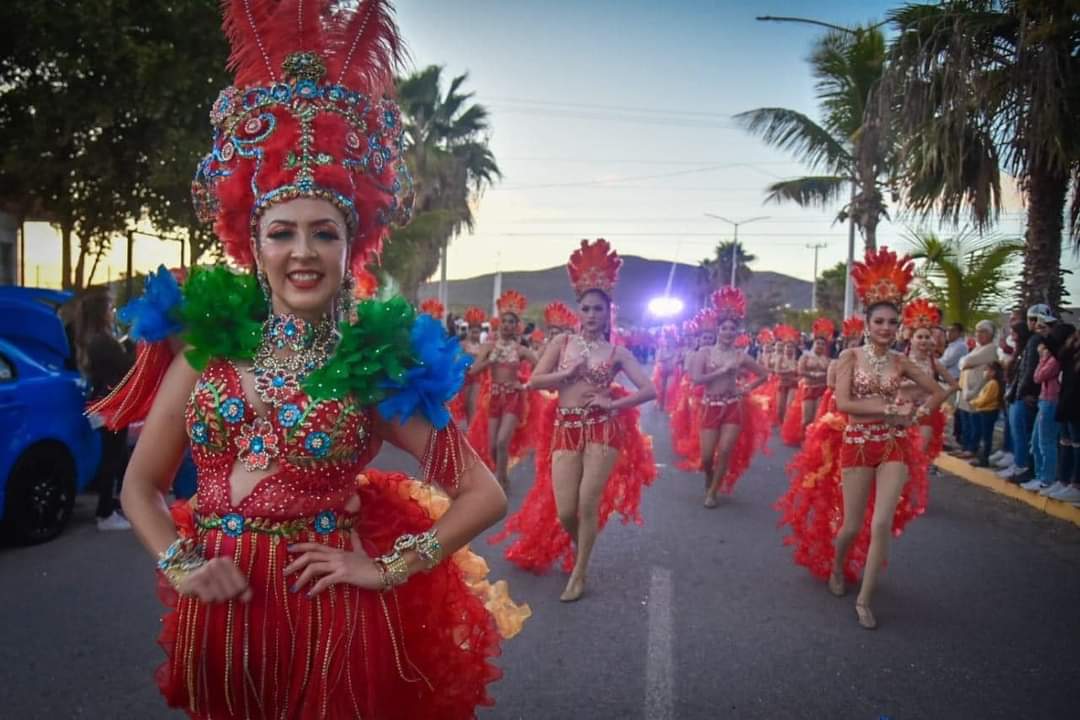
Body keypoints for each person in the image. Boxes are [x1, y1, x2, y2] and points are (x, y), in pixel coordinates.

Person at [111, 4, 527, 716]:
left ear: (349, 246)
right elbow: (139, 488)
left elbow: (483, 494)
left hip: (324, 617)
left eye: (323, 233)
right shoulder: (205, 355)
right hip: (218, 615)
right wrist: (181, 566)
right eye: (282, 232)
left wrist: (387, 568)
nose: (302, 252)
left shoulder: (376, 365)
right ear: (253, 243)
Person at [491, 239, 656, 602]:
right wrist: (568, 371)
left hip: (602, 429)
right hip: (565, 429)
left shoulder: (616, 351)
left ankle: (579, 573)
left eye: (599, 308)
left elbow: (649, 390)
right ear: (579, 310)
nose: (592, 314)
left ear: (607, 313)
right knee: (566, 509)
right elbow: (535, 381)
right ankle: (583, 547)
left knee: (586, 503)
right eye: (587, 308)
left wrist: (614, 404)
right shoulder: (563, 343)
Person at [830, 247, 947, 629]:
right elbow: (844, 403)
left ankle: (864, 599)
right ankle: (836, 566)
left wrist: (913, 414)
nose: (885, 328)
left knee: (881, 524)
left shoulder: (901, 362)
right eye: (879, 321)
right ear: (867, 324)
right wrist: (889, 409)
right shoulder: (850, 357)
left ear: (899, 327)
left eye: (892, 323)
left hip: (894, 445)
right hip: (858, 444)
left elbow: (939, 390)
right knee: (851, 526)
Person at [688, 288, 770, 507]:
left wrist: (747, 388)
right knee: (706, 457)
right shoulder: (704, 352)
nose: (728, 332)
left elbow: (764, 375)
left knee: (724, 450)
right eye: (724, 328)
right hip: (709, 406)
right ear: (717, 330)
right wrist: (722, 371)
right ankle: (709, 475)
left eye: (732, 329)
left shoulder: (740, 355)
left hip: (733, 406)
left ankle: (713, 492)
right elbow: (696, 379)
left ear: (737, 332)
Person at [467, 290, 540, 491]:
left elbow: (541, 368)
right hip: (494, 398)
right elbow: (473, 370)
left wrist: (525, 384)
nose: (507, 325)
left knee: (501, 442)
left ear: (517, 326)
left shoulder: (521, 350)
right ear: (499, 323)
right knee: (492, 446)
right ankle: (502, 475)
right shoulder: (488, 347)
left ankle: (498, 483)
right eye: (505, 321)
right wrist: (489, 360)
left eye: (511, 322)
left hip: (513, 399)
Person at [74, 287, 134, 531]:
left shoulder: (96, 339)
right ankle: (105, 514)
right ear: (101, 312)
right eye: (110, 308)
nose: (113, 312)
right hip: (111, 405)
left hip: (107, 404)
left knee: (118, 457)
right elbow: (126, 366)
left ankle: (115, 505)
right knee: (113, 457)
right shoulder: (102, 341)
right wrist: (133, 343)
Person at [999, 305, 1054, 482]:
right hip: (1024, 394)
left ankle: (1022, 466)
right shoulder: (1032, 341)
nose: (1033, 323)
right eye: (1031, 319)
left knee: (1023, 434)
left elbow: (1029, 371)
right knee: (1023, 434)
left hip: (1026, 396)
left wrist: (1020, 394)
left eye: (1035, 320)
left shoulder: (1035, 341)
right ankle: (1020, 465)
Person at [1021, 329, 1062, 492]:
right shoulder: (1049, 358)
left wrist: (1043, 358)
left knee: (1046, 442)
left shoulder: (1054, 360)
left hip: (1051, 401)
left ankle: (1047, 479)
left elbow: (1038, 376)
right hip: (1043, 400)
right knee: (1036, 441)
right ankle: (1039, 476)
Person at [1046, 325, 1080, 503]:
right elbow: (1059, 355)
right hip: (1067, 400)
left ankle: (1076, 484)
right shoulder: (1072, 351)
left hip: (1076, 403)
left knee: (1077, 444)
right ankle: (1063, 480)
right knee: (1065, 442)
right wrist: (1070, 342)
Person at [955, 320, 997, 458]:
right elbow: (961, 363)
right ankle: (966, 446)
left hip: (977, 391)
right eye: (977, 331)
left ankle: (972, 449)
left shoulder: (990, 348)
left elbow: (966, 362)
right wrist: (965, 362)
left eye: (983, 331)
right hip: (967, 389)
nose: (979, 334)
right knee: (966, 421)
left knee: (974, 423)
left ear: (990, 334)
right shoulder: (977, 348)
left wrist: (966, 362)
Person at [969, 362, 1005, 467]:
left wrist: (973, 402)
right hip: (986, 411)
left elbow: (985, 399)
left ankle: (984, 459)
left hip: (988, 411)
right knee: (986, 436)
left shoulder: (993, 383)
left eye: (986, 370)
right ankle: (983, 458)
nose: (984, 372)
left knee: (986, 437)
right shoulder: (992, 383)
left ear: (993, 372)